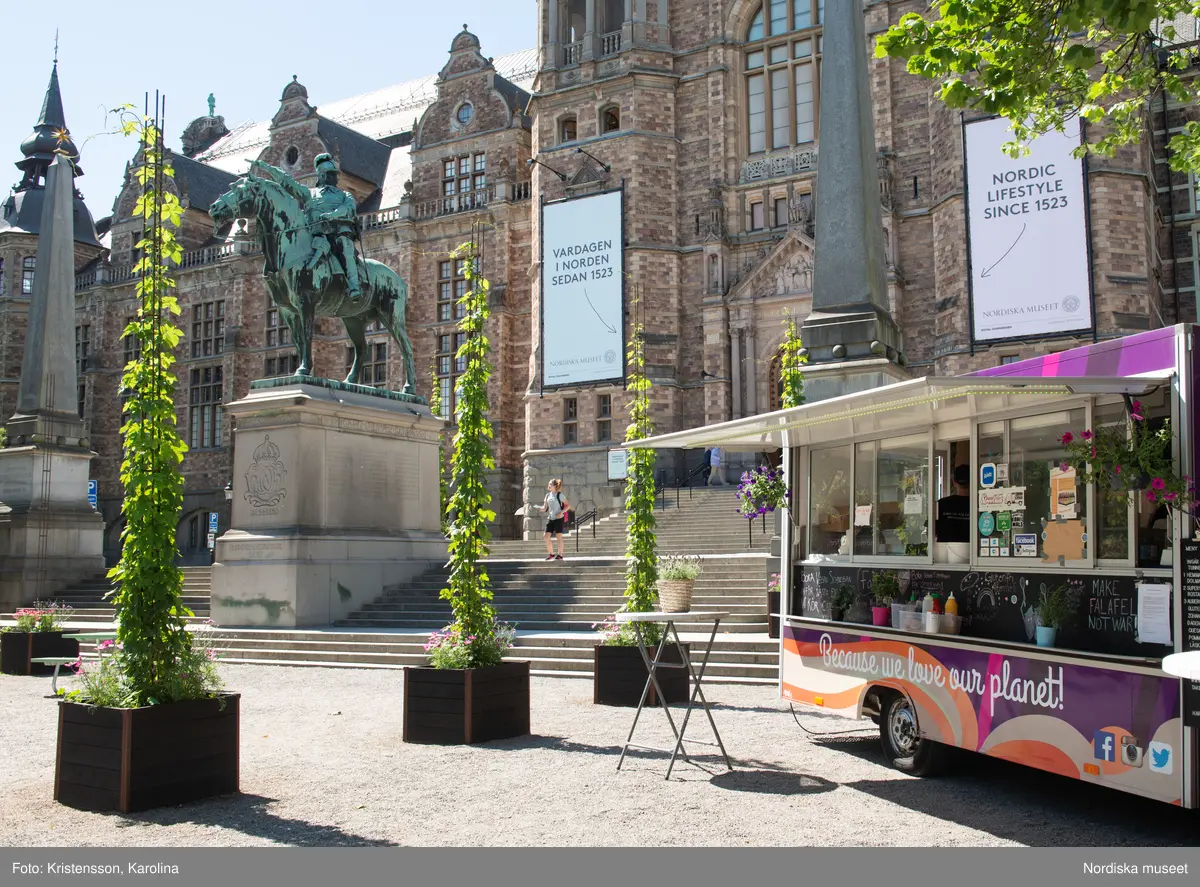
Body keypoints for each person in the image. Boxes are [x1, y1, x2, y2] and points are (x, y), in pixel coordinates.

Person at [250, 154, 364, 302]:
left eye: (335, 174)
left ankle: (354, 286)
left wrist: (332, 214)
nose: (335, 178)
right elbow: (287, 182)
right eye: (331, 174)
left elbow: (348, 208)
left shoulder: (345, 195)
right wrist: (266, 168)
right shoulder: (309, 193)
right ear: (322, 176)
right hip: (313, 236)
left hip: (337, 232)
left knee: (345, 247)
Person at [935, 464, 971, 543]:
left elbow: (931, 532)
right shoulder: (979, 505)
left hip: (945, 553)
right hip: (975, 553)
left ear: (954, 482)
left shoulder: (941, 504)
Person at [538, 479, 570, 560]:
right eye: (548, 484)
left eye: (550, 484)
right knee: (546, 536)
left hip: (559, 518)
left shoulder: (560, 495)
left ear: (555, 486)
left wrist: (561, 512)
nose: (548, 485)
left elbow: (568, 506)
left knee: (558, 536)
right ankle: (551, 553)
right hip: (550, 518)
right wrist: (541, 509)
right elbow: (545, 507)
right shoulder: (547, 495)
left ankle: (560, 555)